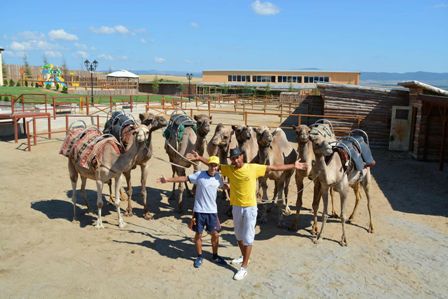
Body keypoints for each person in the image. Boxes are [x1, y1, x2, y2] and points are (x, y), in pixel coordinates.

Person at [188, 147, 307, 280]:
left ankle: (244, 267)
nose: (235, 160)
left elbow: (273, 167)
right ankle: (244, 256)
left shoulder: (253, 168)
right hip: (236, 207)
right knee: (238, 235)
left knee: (248, 237)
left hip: (250, 207)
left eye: (237, 157)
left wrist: (294, 165)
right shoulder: (229, 169)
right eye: (233, 158)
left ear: (242, 157)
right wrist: (199, 158)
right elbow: (214, 165)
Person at [157, 156, 227, 269]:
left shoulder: (219, 177)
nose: (213, 167)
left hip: (212, 212)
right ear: (208, 165)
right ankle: (199, 256)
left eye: (215, 165)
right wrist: (168, 179)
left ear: (218, 167)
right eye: (211, 164)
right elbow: (184, 178)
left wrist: (234, 187)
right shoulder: (200, 175)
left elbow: (224, 187)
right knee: (198, 234)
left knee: (215, 234)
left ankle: (215, 255)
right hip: (199, 211)